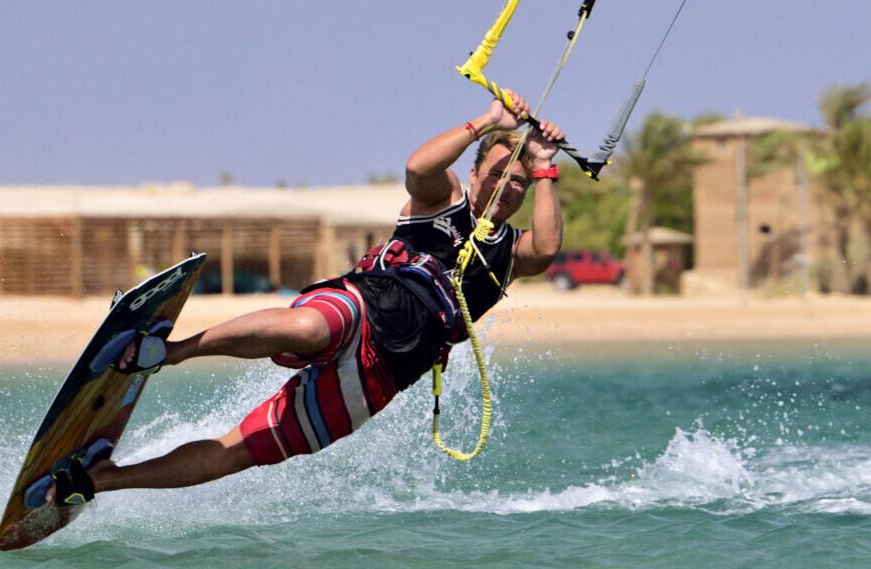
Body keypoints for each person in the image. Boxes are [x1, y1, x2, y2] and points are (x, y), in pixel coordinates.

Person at [33, 90, 569, 507]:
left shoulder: (510, 254)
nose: (508, 186)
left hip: (382, 377)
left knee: (239, 452)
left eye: (519, 183)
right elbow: (416, 168)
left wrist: (545, 165)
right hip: (364, 306)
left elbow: (546, 248)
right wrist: (487, 121)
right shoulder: (443, 199)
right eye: (499, 173)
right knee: (310, 329)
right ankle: (168, 353)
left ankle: (103, 479)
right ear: (475, 172)